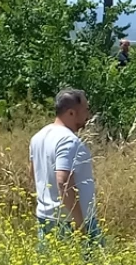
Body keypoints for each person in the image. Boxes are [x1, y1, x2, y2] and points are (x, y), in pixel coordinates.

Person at [29, 89, 99, 242]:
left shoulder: (38, 137)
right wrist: (80, 225)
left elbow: (33, 174)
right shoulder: (68, 141)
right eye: (85, 110)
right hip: (69, 222)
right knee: (92, 264)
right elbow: (63, 182)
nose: (87, 116)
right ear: (71, 113)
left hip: (45, 218)